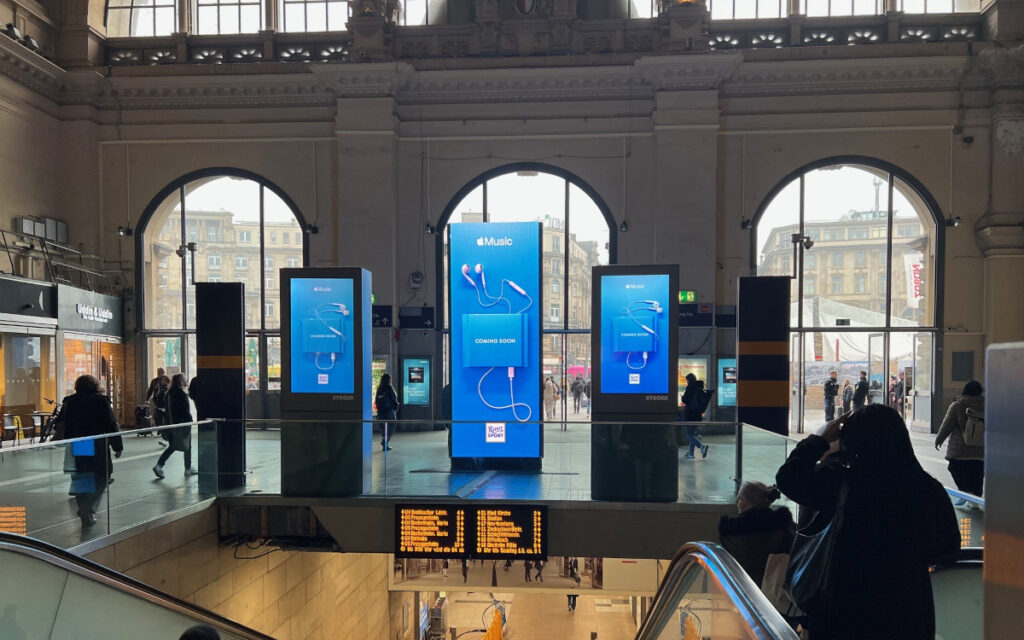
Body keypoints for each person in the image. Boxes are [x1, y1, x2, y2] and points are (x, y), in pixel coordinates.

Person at [776, 404, 960, 640]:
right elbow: (948, 550)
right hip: (907, 608)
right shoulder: (927, 487)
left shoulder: (841, 483)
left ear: (852, 440)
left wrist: (819, 440)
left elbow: (789, 479)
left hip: (844, 608)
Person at [59, 375, 123, 527]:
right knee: (103, 475)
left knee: (82, 476)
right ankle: (88, 506)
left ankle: (84, 509)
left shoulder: (70, 401)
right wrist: (117, 445)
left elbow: (62, 422)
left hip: (79, 443)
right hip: (98, 443)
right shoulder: (101, 400)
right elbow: (111, 424)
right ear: (95, 385)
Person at [717, 481, 795, 586]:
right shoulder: (783, 526)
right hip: (777, 585)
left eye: (740, 498)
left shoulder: (731, 532)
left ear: (751, 501)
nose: (736, 501)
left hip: (743, 586)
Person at [935, 380, 985, 502]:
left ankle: (965, 494)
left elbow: (947, 424)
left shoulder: (958, 405)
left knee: (955, 468)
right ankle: (975, 500)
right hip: (981, 451)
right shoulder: (987, 406)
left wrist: (939, 439)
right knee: (977, 476)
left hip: (960, 450)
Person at [153, 373, 197, 479]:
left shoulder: (169, 393)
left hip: (172, 424)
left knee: (176, 446)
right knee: (181, 446)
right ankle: (161, 465)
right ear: (181, 381)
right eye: (185, 379)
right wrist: (190, 421)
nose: (187, 381)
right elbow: (185, 410)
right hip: (182, 424)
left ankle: (186, 467)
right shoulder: (181, 394)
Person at [681, 373, 709, 459]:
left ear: (689, 380)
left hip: (690, 415)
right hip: (697, 415)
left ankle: (701, 447)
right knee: (692, 433)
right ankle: (691, 452)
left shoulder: (690, 387)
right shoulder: (699, 388)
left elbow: (685, 399)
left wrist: (682, 397)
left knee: (688, 434)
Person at [375, 373, 399, 451]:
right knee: (391, 427)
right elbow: (394, 398)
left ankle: (385, 443)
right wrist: (396, 406)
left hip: (381, 412)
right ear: (389, 380)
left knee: (383, 428)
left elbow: (376, 400)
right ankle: (385, 442)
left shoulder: (379, 388)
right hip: (389, 412)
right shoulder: (389, 387)